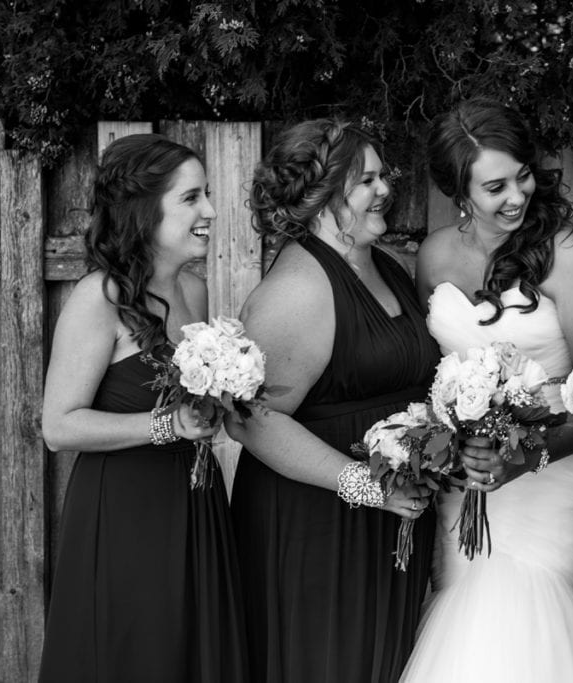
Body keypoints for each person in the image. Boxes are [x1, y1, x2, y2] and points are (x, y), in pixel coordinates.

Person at [399, 97, 573, 683]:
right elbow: (433, 375)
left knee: (529, 625)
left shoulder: (569, 256)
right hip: (464, 477)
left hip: (552, 474)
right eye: (495, 187)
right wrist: (452, 445)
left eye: (522, 176)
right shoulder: (435, 255)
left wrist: (520, 460)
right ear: (460, 194)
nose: (516, 196)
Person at [225, 119, 438, 683]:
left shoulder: (383, 264)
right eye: (366, 180)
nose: (385, 189)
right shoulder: (299, 289)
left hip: (384, 523)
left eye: (382, 175)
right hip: (316, 529)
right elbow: (251, 421)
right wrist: (368, 486)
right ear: (323, 196)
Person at [39, 134, 248, 682]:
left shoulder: (194, 292)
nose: (209, 211)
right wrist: (166, 424)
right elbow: (59, 426)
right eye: (191, 198)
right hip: (125, 512)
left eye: (207, 195)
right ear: (143, 210)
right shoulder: (99, 298)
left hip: (195, 501)